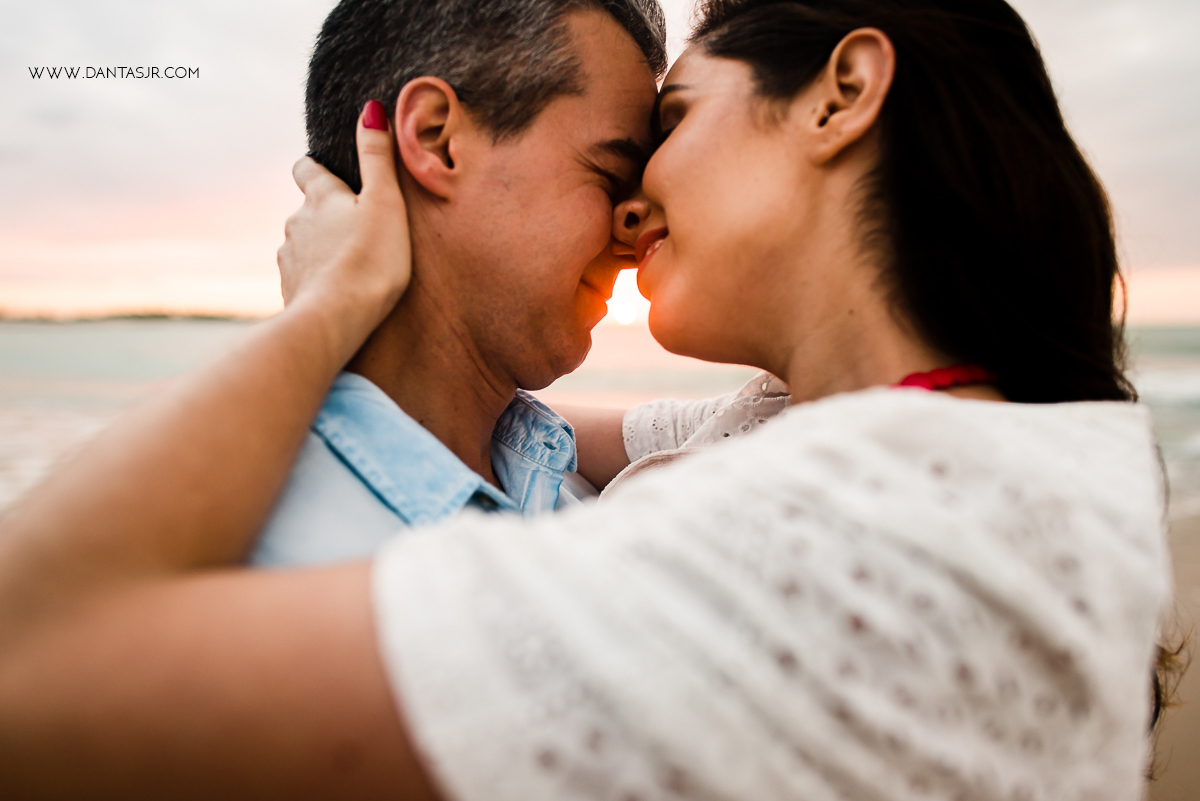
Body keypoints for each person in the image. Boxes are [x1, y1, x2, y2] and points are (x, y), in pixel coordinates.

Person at [0, 1, 1172, 799]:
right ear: (433, 141)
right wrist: (334, 321)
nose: (635, 209)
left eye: (667, 132)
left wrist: (328, 303)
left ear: (843, 96)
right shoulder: (811, 441)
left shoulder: (845, 530)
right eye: (620, 162)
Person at [252, 0, 667, 567]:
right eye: (613, 175)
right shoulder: (267, 563)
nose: (634, 232)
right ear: (435, 138)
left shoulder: (579, 488)